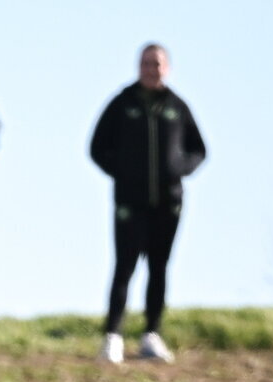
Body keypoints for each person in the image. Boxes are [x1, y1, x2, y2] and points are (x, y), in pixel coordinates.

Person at [90, 43, 206, 364]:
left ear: (166, 68)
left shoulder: (177, 107)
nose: (150, 69)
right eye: (145, 63)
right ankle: (112, 335)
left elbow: (199, 149)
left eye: (156, 64)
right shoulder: (122, 103)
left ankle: (151, 334)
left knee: (159, 267)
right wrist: (123, 174)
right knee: (124, 267)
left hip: (167, 204)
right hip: (130, 202)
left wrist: (178, 170)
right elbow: (97, 147)